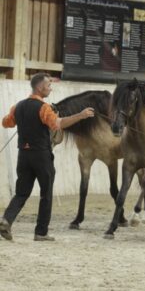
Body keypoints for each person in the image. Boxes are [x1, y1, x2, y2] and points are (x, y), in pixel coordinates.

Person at [0, 72, 95, 241]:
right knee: (46, 194)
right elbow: (58, 124)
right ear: (39, 87)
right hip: (41, 155)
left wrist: (23, 120)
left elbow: (6, 122)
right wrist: (80, 115)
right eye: (49, 85)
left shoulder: (18, 106)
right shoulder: (44, 108)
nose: (50, 88)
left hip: (23, 155)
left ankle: (6, 220)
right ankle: (41, 232)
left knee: (21, 192)